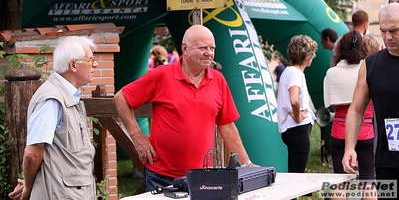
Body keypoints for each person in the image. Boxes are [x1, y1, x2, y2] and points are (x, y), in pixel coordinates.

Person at [114, 24, 256, 191]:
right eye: (203, 47)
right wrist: (136, 136)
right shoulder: (161, 75)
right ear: (185, 49)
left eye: (212, 48)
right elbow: (120, 98)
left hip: (202, 175)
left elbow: (227, 125)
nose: (209, 53)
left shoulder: (218, 80)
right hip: (161, 176)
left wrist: (246, 163)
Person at [8, 36, 98, 200]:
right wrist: (28, 187)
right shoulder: (52, 99)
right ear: (73, 65)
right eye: (91, 60)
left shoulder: (67, 96)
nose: (96, 64)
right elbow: (33, 153)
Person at [342, 3, 399, 196]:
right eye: (383, 31)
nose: (388, 37)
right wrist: (350, 147)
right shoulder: (371, 64)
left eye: (394, 31)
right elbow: (357, 109)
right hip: (387, 160)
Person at [323, 31, 375, 182]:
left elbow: (331, 104)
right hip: (366, 131)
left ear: (340, 48)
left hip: (339, 131)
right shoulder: (368, 70)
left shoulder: (332, 73)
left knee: (340, 183)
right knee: (368, 181)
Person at [277, 35, 318, 173]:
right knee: (297, 174)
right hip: (297, 128)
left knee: (294, 171)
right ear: (306, 56)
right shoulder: (296, 74)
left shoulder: (287, 72)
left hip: (290, 129)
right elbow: (294, 99)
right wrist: (297, 116)